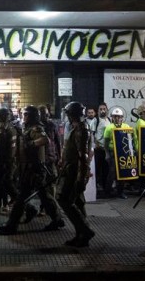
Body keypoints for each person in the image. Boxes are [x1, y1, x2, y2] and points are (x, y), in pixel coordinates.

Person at [0, 106, 63, 235]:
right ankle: (57, 219)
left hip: (34, 169)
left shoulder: (35, 128)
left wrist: (31, 144)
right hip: (29, 168)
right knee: (45, 196)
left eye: (26, 115)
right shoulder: (26, 128)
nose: (24, 117)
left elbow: (45, 139)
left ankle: (11, 225)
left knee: (21, 197)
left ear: (32, 116)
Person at [57, 102, 95, 247]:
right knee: (78, 202)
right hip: (71, 169)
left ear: (71, 114)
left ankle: (85, 230)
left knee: (64, 199)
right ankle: (81, 234)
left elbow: (83, 156)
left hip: (74, 172)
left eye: (67, 113)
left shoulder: (81, 129)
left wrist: (81, 177)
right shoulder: (78, 127)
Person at [103, 108, 132, 199]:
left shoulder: (126, 127)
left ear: (122, 117)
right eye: (115, 116)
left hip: (124, 153)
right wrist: (107, 154)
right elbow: (106, 143)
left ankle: (120, 192)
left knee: (123, 173)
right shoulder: (109, 127)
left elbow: (130, 140)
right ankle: (107, 192)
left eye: (119, 116)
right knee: (112, 173)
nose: (117, 118)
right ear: (112, 117)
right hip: (113, 153)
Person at [94, 103, 111, 196]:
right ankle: (95, 190)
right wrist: (95, 145)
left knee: (106, 170)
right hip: (99, 149)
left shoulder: (109, 120)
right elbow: (92, 134)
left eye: (104, 109)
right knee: (97, 170)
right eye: (100, 109)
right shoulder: (96, 120)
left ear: (107, 110)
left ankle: (105, 189)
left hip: (106, 150)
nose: (102, 110)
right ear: (98, 111)